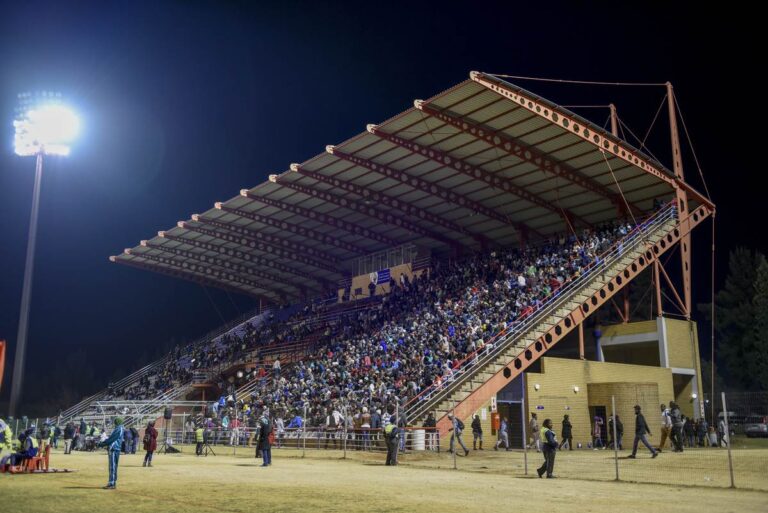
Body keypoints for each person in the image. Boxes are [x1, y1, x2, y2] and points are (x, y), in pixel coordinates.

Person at [98, 417, 125, 489]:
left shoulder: (118, 429)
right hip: (116, 448)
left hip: (114, 448)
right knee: (113, 466)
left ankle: (112, 483)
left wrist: (101, 444)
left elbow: (111, 439)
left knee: (112, 466)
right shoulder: (120, 428)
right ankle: (112, 482)